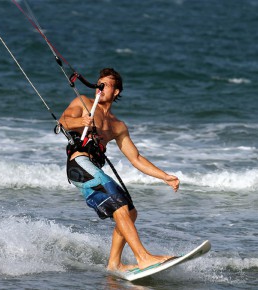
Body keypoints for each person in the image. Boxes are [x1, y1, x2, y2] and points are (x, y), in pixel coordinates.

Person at [59, 68, 180, 272]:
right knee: (120, 208)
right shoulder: (84, 103)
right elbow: (63, 121)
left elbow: (136, 158)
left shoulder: (117, 125)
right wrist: (80, 122)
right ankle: (143, 257)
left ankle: (114, 264)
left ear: (116, 91)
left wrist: (165, 177)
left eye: (105, 85)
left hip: (93, 169)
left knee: (130, 213)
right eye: (99, 83)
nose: (100, 87)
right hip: (78, 164)